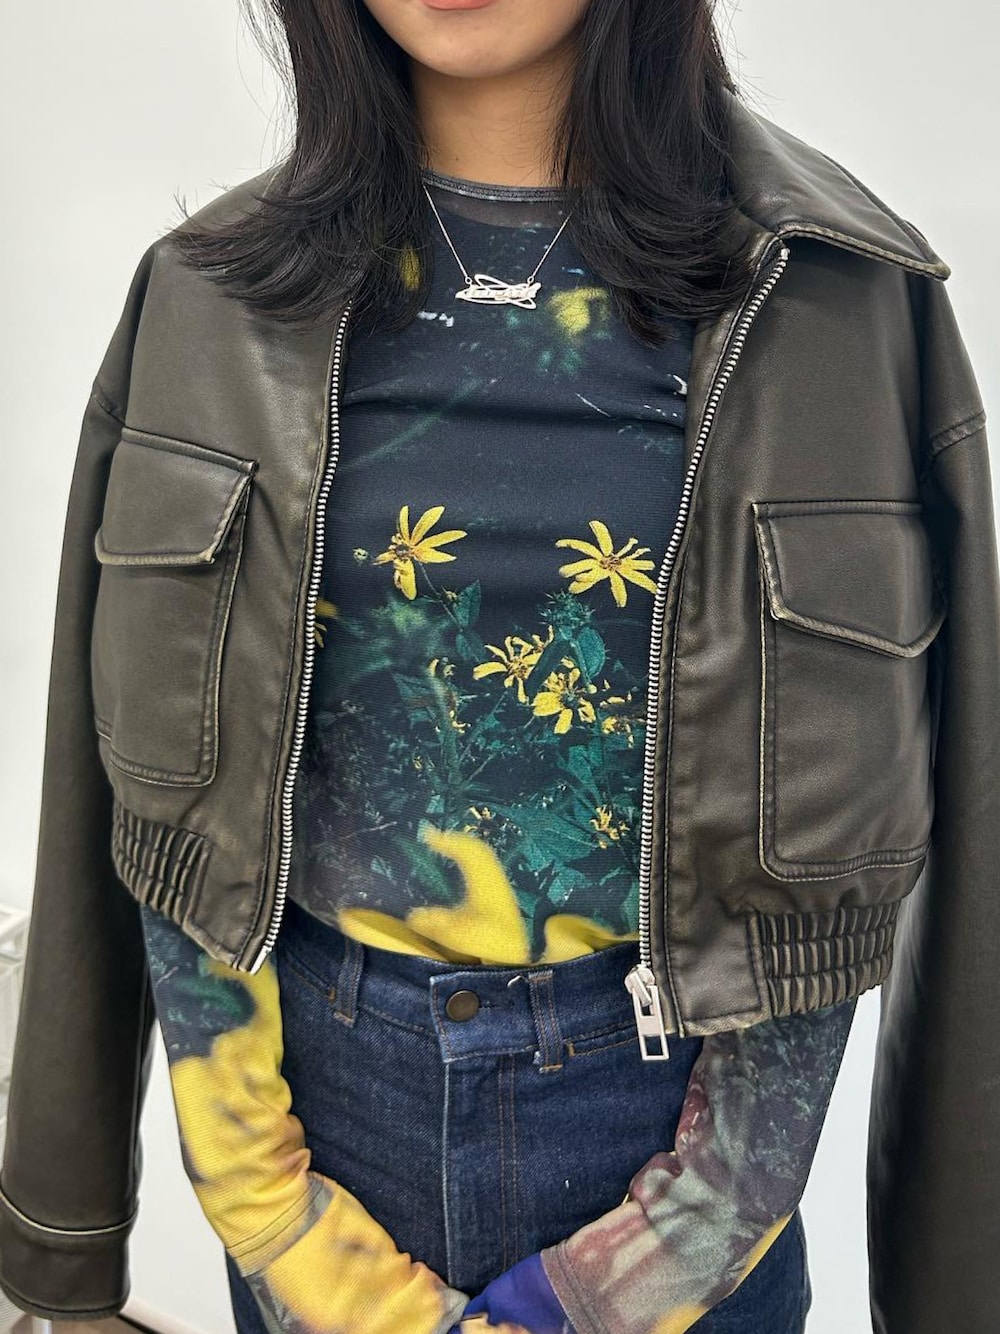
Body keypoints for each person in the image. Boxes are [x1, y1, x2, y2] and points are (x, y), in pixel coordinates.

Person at [1, 2, 996, 1333]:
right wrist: (266, 1218)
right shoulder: (207, 293)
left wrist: (692, 1233)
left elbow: (865, 820)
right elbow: (151, 785)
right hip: (316, 1134)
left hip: (689, 1160)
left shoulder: (837, 295)